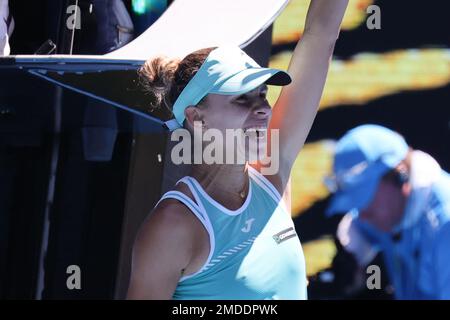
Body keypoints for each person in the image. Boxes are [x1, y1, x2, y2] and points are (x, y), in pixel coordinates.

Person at [127, 0, 350, 300]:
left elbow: (321, 35)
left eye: (262, 94)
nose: (262, 109)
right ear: (196, 118)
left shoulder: (273, 176)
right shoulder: (173, 227)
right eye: (241, 99)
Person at [326, 124, 450, 299]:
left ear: (400, 175)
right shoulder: (390, 211)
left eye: (365, 199)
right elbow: (356, 228)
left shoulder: (446, 228)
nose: (361, 214)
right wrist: (352, 255)